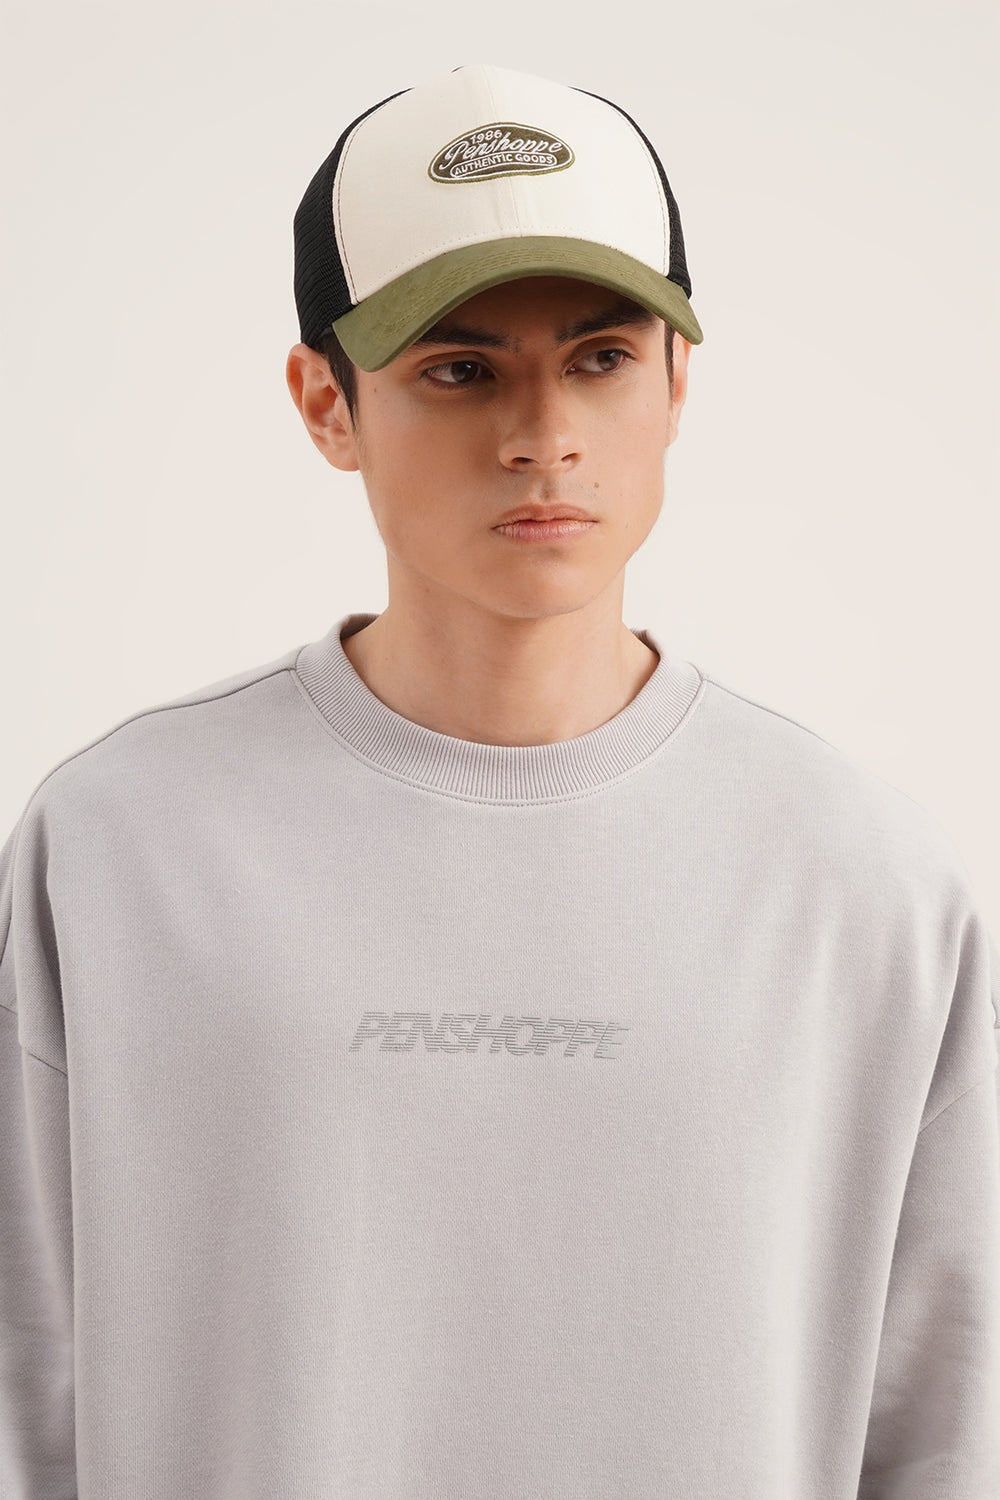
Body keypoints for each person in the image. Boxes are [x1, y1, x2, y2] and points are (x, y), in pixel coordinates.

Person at [1, 61, 997, 1500]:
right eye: (460, 369)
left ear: (677, 385)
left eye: (600, 358)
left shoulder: (860, 879)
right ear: (327, 404)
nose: (545, 434)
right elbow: (24, 1392)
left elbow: (948, 1428)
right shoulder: (125, 844)